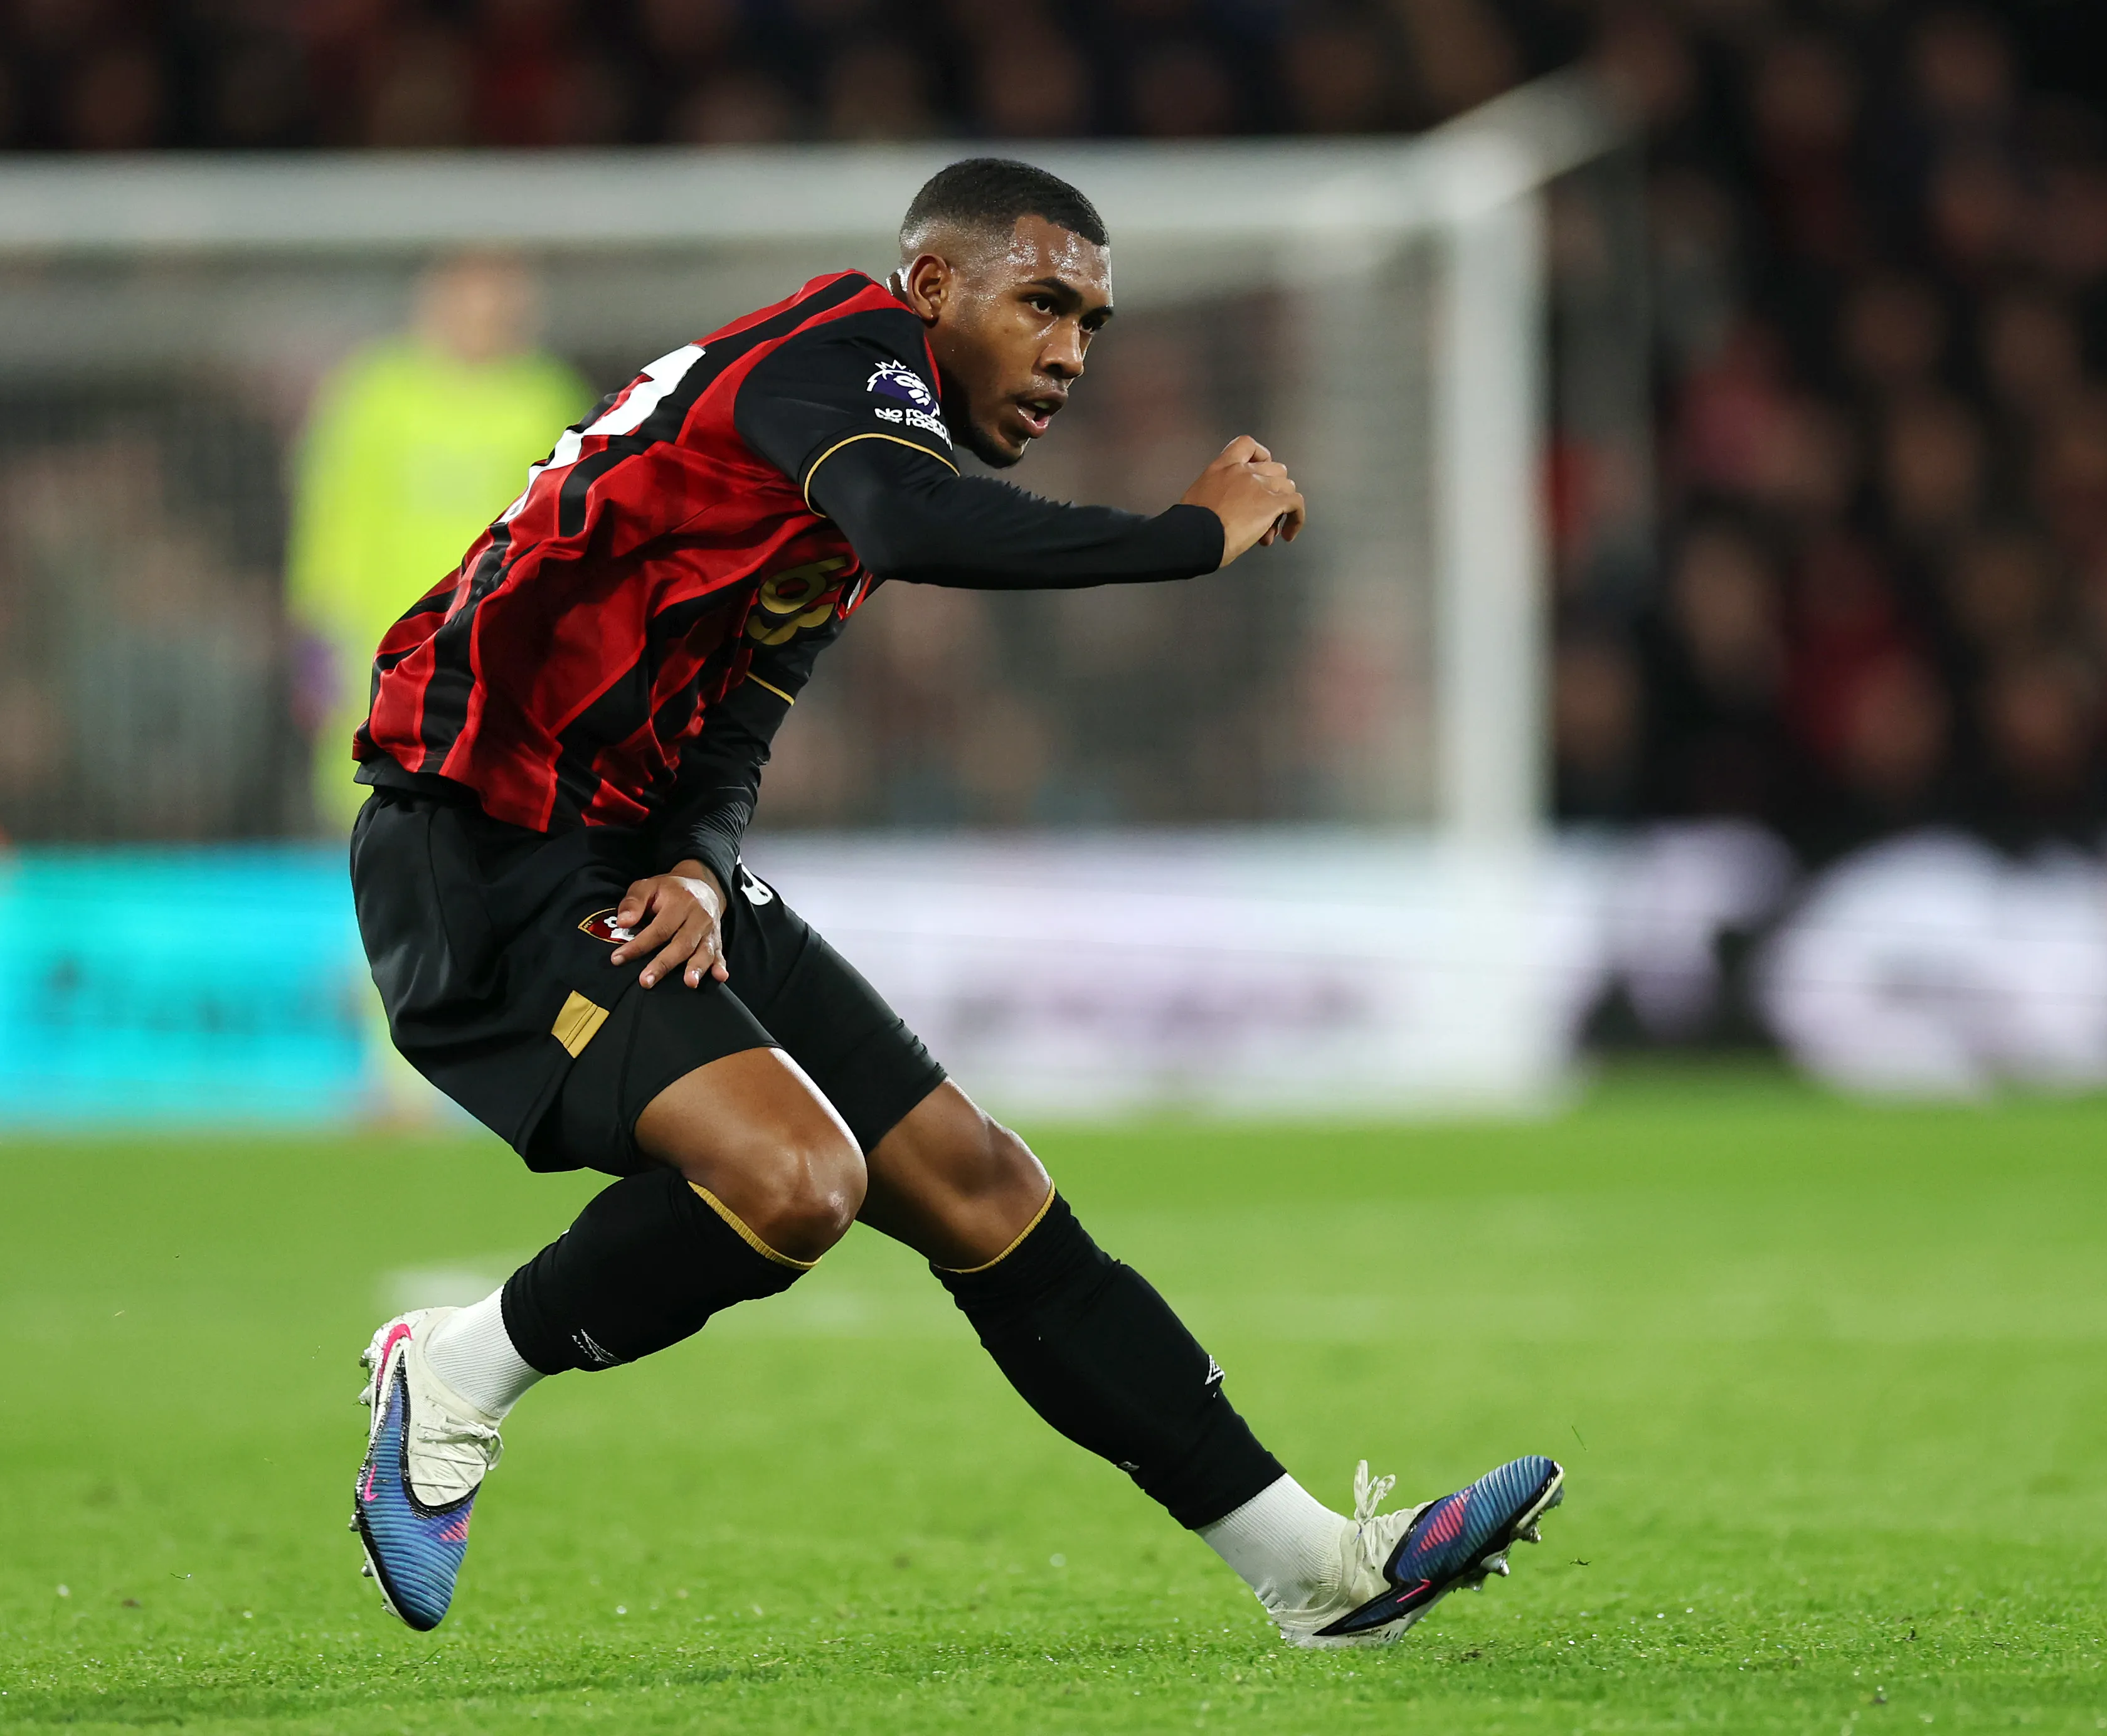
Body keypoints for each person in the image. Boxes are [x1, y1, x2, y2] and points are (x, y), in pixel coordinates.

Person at [343, 159, 1563, 1650]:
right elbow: (915, 525)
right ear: (931, 289)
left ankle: (1315, 1566)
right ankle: (454, 1374)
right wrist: (1186, 536)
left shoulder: (838, 466)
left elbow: (741, 713)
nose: (1066, 352)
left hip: (625, 864)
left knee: (977, 1182)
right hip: (479, 852)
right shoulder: (838, 363)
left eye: (1091, 324)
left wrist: (696, 863)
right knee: (797, 1182)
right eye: (1040, 303)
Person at [287, 253, 591, 831]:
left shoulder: (546, 397)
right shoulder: (375, 393)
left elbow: (572, 533)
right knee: (370, 819)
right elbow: (331, 515)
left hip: (500, 651)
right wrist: (316, 629)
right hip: (380, 649)